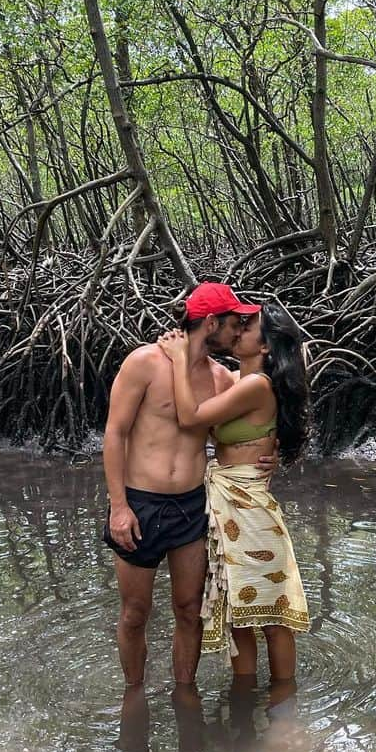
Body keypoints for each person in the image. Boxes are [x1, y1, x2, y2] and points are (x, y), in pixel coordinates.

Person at [102, 282, 263, 687]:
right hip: (140, 505)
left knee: (189, 609)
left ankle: (184, 694)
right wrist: (119, 507)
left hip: (193, 506)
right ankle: (133, 694)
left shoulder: (222, 379)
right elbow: (115, 433)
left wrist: (266, 455)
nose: (239, 331)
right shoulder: (144, 362)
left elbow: (234, 436)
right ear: (211, 323)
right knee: (135, 613)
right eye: (234, 323)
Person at [157, 302, 310, 681]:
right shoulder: (240, 382)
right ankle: (243, 706)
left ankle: (282, 709)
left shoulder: (257, 385)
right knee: (239, 615)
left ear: (265, 348)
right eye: (238, 324)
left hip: (251, 510)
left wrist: (178, 359)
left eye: (248, 327)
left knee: (273, 617)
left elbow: (191, 417)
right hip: (231, 505)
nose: (237, 330)